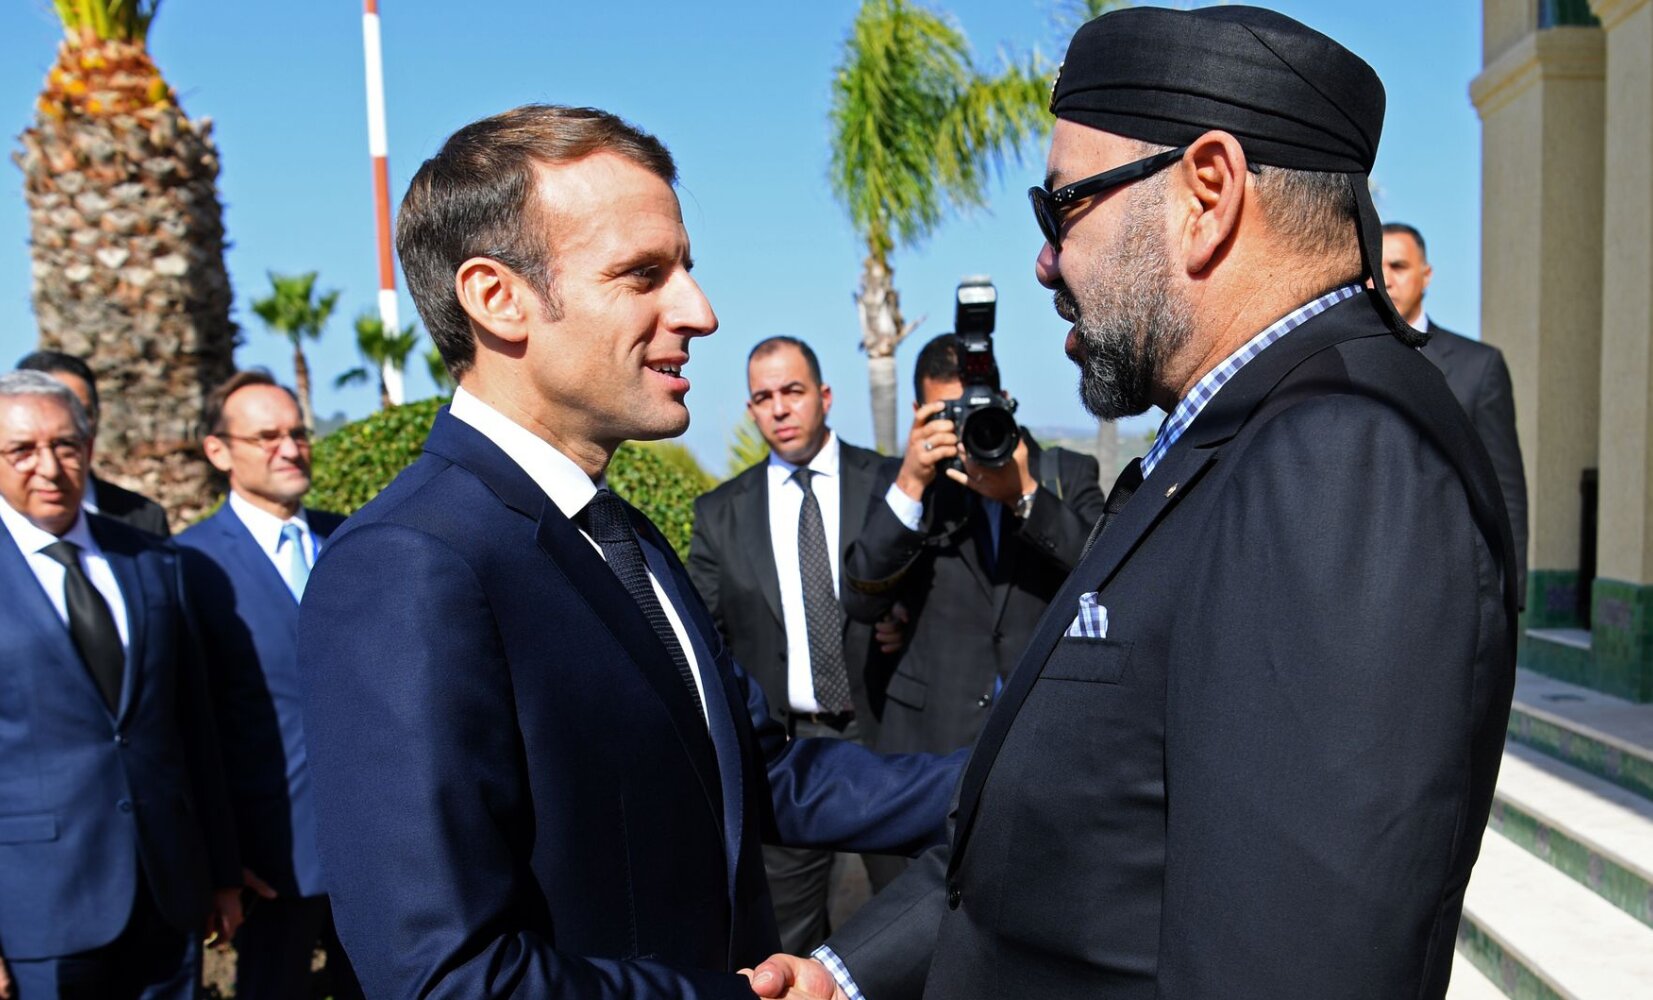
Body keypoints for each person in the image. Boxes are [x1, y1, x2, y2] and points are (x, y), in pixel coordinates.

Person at [750, 7, 1518, 999]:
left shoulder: (1343, 454)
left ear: (1207, 192)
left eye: (1061, 207)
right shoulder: (1236, 435)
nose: (1044, 261)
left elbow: (1291, 966)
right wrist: (846, 975)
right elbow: (1060, 816)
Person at [296, 104, 960, 999]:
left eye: (685, 268)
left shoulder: (623, 532)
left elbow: (760, 774)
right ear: (498, 298)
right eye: (643, 274)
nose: (700, 311)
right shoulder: (410, 565)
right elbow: (444, 977)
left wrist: (1011, 764)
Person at [0, 370, 241, 1000]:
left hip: (168, 895)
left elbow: (194, 727)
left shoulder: (152, 561)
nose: (48, 467)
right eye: (22, 450)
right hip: (38, 913)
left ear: (89, 448)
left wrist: (219, 874)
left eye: (66, 446)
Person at [688, 336, 898, 953]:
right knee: (791, 944)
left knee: (909, 923)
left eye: (792, 391)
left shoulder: (889, 482)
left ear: (824, 397)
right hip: (786, 756)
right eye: (763, 397)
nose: (779, 408)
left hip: (883, 737)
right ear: (751, 411)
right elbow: (708, 644)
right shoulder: (719, 514)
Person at [175, 370, 360, 1000]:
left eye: (298, 432)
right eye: (267, 436)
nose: (290, 447)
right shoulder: (187, 566)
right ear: (219, 451)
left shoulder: (352, 541)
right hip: (267, 864)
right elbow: (184, 725)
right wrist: (221, 861)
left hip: (375, 848)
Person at [1383, 222, 1529, 606]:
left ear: (1425, 275)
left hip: (1454, 592)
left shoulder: (1478, 367)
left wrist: (1509, 594)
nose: (1386, 279)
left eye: (1398, 266)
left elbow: (1506, 490)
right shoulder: (1338, 362)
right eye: (1375, 268)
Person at [16, 350, 170, 537]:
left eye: (81, 414)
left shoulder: (143, 519)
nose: (71, 427)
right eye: (52, 414)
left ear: (97, 418)